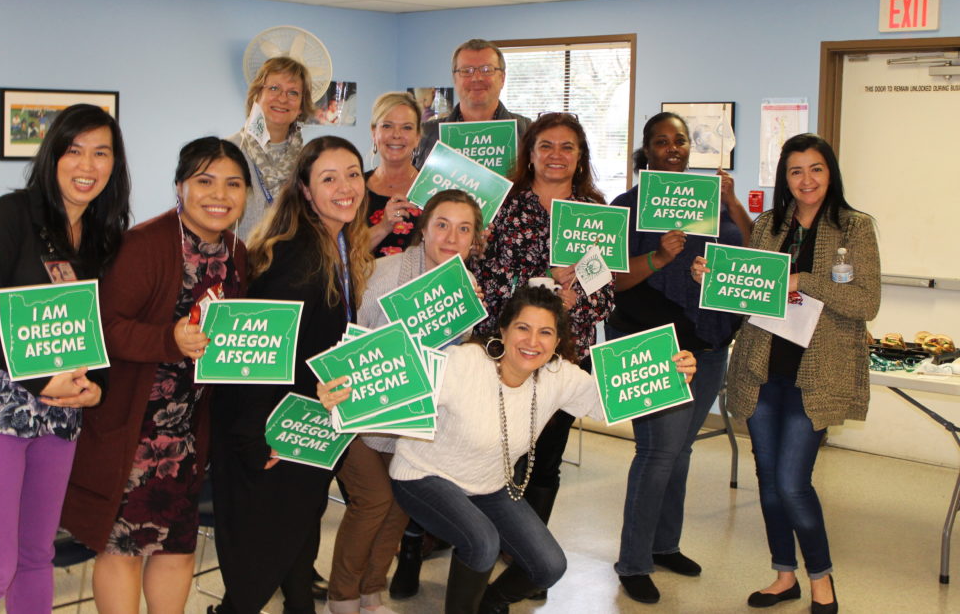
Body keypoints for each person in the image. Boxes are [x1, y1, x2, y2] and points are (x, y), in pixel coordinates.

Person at [318, 286, 696, 613]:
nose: (533, 342)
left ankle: (490, 603)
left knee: (549, 566)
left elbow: (606, 402)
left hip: (488, 483)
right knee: (481, 542)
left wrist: (671, 372)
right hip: (423, 475)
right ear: (503, 330)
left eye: (545, 333)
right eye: (523, 328)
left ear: (557, 340)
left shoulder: (558, 375)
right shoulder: (464, 363)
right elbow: (397, 387)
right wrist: (341, 394)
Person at [0, 103, 131, 612]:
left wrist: (99, 387)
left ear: (115, 165)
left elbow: (94, 331)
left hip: (61, 411)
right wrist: (41, 379)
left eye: (101, 153)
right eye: (74, 151)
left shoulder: (101, 238)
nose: (87, 165)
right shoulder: (13, 214)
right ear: (52, 156)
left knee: (35, 556)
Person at [60, 137, 250, 613]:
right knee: (122, 548)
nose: (219, 195)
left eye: (233, 184)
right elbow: (103, 328)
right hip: (132, 428)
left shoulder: (236, 252)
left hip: (187, 433)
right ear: (180, 187)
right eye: (205, 181)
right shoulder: (143, 244)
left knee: (177, 545)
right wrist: (170, 339)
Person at [699, 133, 879, 614]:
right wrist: (713, 276)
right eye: (796, 171)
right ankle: (784, 576)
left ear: (830, 172)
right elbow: (748, 289)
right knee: (767, 478)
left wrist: (803, 281)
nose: (806, 180)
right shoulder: (768, 226)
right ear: (785, 178)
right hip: (762, 367)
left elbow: (867, 301)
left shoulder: (855, 228)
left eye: (815, 169)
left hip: (816, 374)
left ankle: (822, 580)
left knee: (793, 482)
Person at [210, 136, 374, 614]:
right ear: (304, 189)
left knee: (299, 538)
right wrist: (261, 434)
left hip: (305, 417)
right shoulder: (296, 256)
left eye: (353, 174)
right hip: (269, 426)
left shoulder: (336, 240)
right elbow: (264, 351)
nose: (345, 187)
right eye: (328, 178)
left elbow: (315, 339)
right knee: (262, 559)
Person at [607, 111, 753, 604]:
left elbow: (750, 261)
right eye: (661, 141)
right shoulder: (625, 208)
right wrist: (660, 260)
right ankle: (633, 561)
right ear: (645, 150)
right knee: (658, 452)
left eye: (681, 141)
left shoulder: (714, 206)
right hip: (653, 345)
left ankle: (665, 544)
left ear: (692, 149)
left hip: (709, 344)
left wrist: (714, 264)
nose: (673, 148)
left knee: (682, 451)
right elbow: (609, 280)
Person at [469, 113, 615, 595]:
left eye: (567, 147)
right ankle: (482, 548)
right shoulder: (504, 206)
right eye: (546, 145)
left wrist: (576, 298)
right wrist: (545, 292)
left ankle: (528, 564)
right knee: (496, 454)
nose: (556, 155)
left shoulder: (596, 210)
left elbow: (605, 291)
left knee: (545, 462)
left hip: (567, 357)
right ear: (529, 152)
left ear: (580, 156)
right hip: (507, 352)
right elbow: (486, 278)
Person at [327, 190, 484, 614]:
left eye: (464, 228)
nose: (452, 237)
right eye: (442, 225)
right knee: (373, 500)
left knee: (398, 507)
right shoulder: (383, 272)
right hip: (360, 410)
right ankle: (341, 597)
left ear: (475, 240)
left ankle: (371, 592)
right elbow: (347, 339)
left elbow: (454, 356)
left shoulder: (466, 285)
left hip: (415, 418)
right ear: (424, 228)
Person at [230, 56, 316, 241]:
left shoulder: (309, 160)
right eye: (274, 88)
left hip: (290, 265)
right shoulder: (229, 152)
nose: (283, 98)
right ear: (257, 96)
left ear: (301, 105)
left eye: (293, 93)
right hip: (237, 263)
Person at [414, 39, 531, 167]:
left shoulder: (527, 133)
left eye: (487, 70)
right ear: (454, 79)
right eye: (466, 71)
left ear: (502, 78)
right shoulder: (425, 135)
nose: (477, 78)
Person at [365, 92, 423, 257]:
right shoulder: (353, 188)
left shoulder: (433, 188)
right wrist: (383, 227)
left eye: (406, 127)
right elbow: (340, 255)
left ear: (417, 137)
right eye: (387, 126)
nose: (396, 135)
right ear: (373, 133)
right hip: (365, 282)